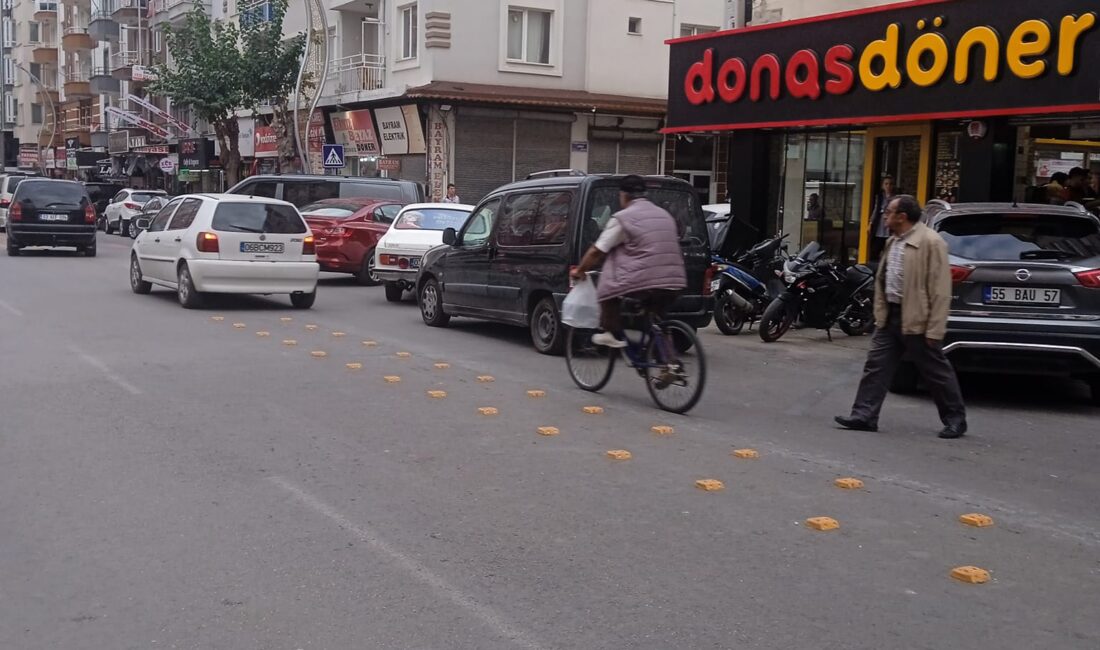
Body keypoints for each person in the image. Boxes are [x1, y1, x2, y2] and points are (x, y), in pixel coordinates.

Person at [835, 194, 968, 439]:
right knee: (876, 366)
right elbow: (885, 278)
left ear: (902, 217)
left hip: (918, 317)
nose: (885, 216)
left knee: (934, 370)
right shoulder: (893, 241)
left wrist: (935, 329)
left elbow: (940, 290)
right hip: (890, 316)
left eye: (889, 212)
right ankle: (864, 415)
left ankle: (955, 418)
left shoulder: (931, 242)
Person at [570, 175, 687, 348]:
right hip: (676, 280)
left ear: (623, 195)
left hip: (647, 282)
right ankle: (668, 362)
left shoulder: (623, 218)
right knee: (657, 321)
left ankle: (608, 332)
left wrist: (579, 271)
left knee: (609, 288)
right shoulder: (664, 215)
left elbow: (597, 251)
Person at [868, 175, 900, 260]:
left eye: (890, 184)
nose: (888, 186)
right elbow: (876, 209)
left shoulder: (896, 197)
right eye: (886, 184)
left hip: (890, 226)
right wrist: (871, 222)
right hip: (880, 226)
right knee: (875, 250)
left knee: (888, 252)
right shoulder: (880, 197)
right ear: (883, 185)